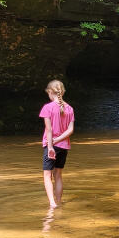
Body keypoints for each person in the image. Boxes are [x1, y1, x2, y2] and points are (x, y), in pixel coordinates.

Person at [40, 79, 74, 209]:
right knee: (58, 175)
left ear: (50, 92)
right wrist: (59, 140)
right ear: (62, 92)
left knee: (47, 175)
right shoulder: (70, 108)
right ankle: (59, 201)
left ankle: (52, 204)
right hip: (64, 146)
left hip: (51, 145)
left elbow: (49, 130)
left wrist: (50, 145)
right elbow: (70, 130)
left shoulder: (47, 108)